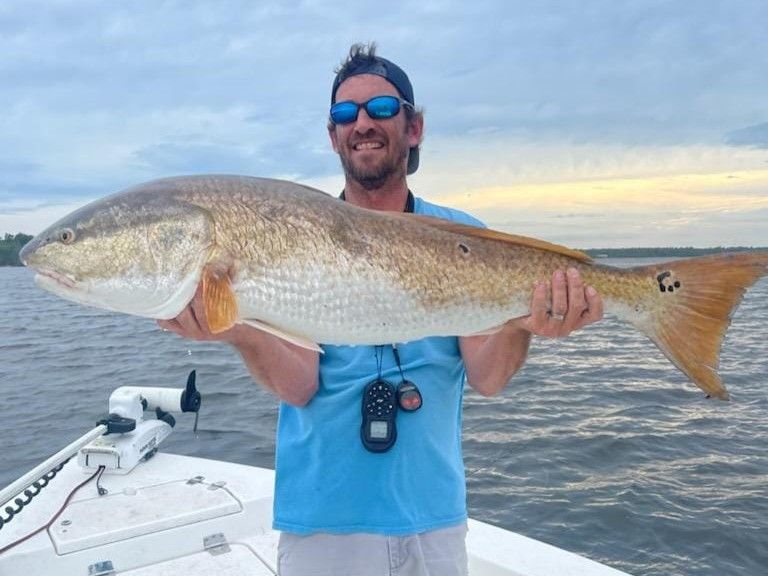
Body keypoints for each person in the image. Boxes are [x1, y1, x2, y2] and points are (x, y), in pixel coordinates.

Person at [159, 43, 603, 576]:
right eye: (346, 113)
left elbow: (489, 378)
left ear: (414, 128)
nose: (363, 123)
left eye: (382, 108)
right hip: (322, 520)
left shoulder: (463, 236)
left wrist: (525, 324)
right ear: (333, 136)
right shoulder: (290, 237)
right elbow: (299, 387)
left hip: (433, 517)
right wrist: (237, 330)